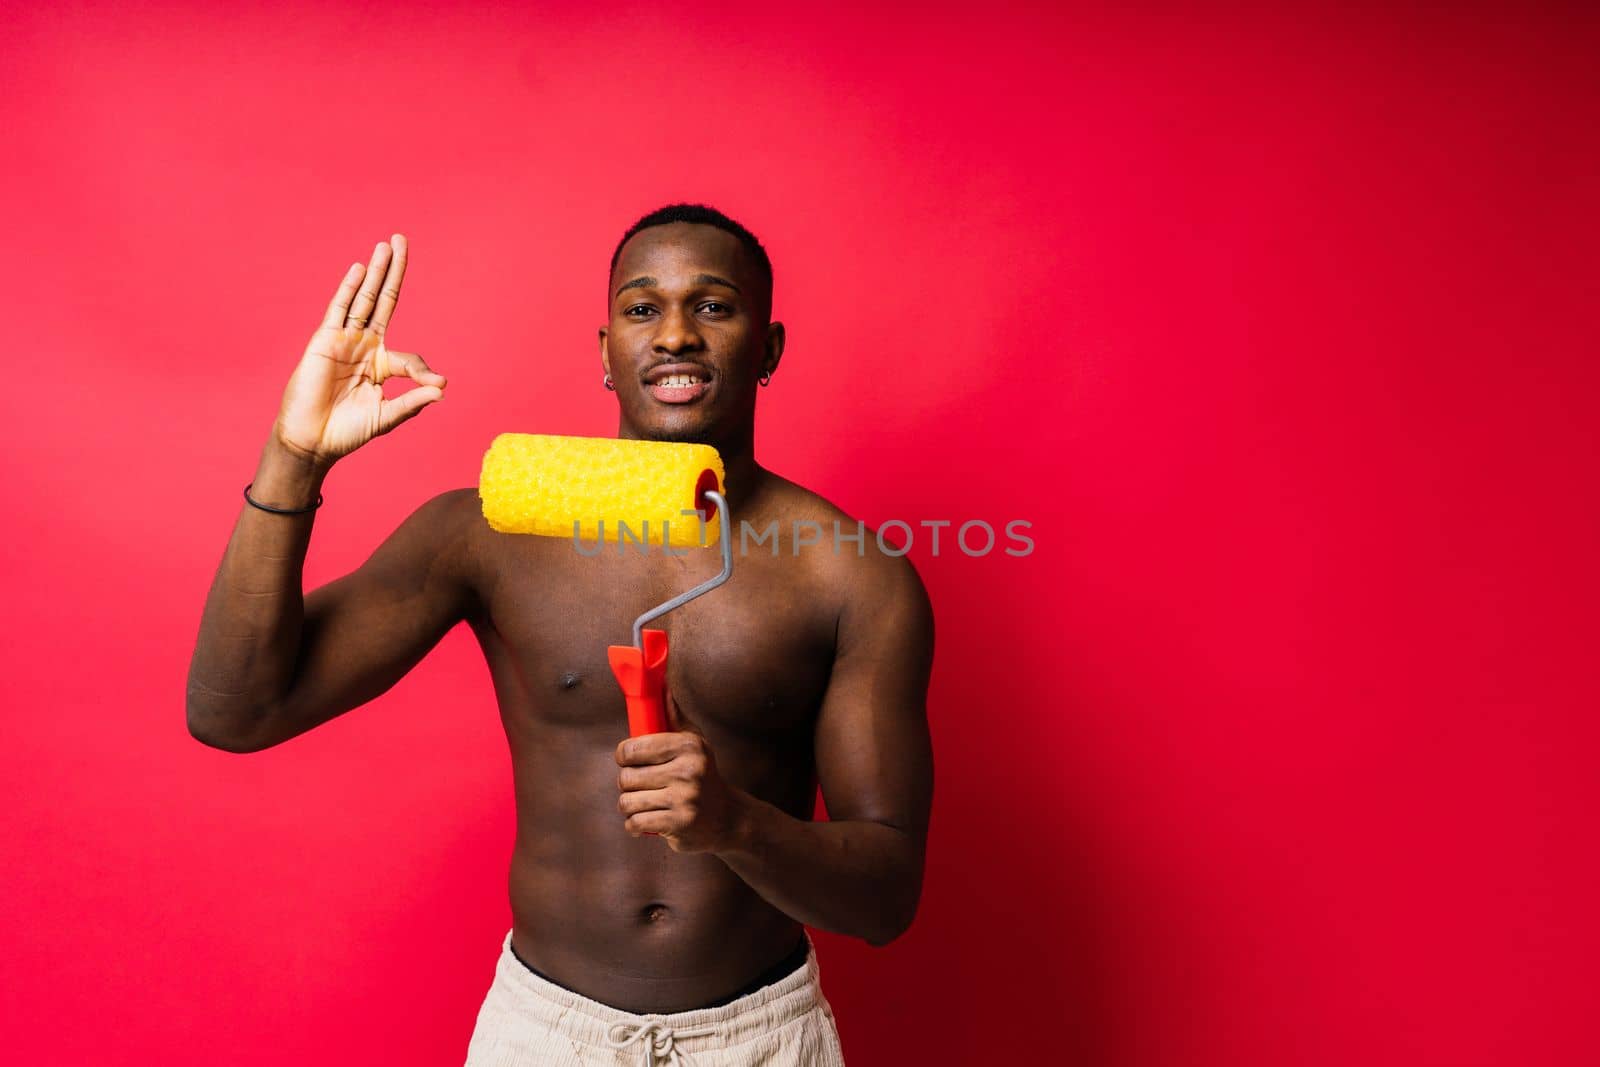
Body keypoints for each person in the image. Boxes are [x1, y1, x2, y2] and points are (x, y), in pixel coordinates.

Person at [185, 204, 935, 1065]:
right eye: (643, 308)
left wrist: (736, 822)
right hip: (545, 1035)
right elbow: (235, 711)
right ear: (606, 351)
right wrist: (294, 453)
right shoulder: (491, 534)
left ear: (767, 349)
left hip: (760, 1036)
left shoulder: (851, 574)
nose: (677, 335)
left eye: (715, 306)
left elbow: (887, 898)